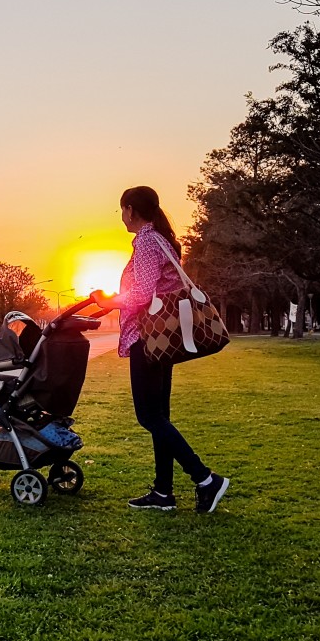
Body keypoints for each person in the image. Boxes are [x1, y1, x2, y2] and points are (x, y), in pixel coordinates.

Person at [91, 185, 230, 513]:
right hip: (161, 339)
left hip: (148, 339)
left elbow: (141, 295)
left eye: (122, 209)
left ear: (131, 210)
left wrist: (108, 301)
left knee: (149, 415)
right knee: (159, 416)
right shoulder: (160, 240)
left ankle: (205, 479)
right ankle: (163, 492)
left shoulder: (146, 242)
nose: (121, 216)